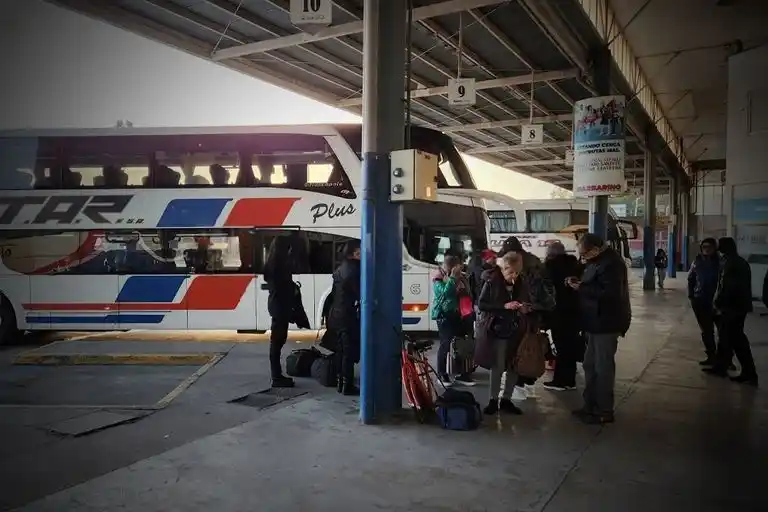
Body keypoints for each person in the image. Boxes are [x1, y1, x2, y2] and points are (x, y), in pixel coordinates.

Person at [568, 233, 631, 424]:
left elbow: (610, 294)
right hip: (595, 322)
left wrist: (580, 288)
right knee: (590, 365)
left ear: (595, 248)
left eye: (585, 253)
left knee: (602, 367)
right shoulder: (597, 261)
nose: (583, 257)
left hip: (607, 323)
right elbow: (591, 281)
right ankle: (590, 405)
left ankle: (604, 410)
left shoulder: (612, 264)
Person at [498, 236, 555, 401]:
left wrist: (524, 305)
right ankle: (529, 385)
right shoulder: (535, 261)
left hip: (526, 312)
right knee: (533, 347)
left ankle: (519, 387)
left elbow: (526, 291)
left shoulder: (523, 267)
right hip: (538, 312)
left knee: (520, 350)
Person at [476, 251, 527, 415]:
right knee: (497, 366)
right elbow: (482, 304)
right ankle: (493, 400)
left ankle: (506, 399)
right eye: (510, 272)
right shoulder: (491, 282)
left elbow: (527, 299)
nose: (514, 276)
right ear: (503, 269)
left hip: (516, 329)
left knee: (514, 365)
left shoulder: (521, 282)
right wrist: (504, 306)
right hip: (497, 329)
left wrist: (525, 307)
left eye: (517, 272)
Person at [703, 237, 758, 386]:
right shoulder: (738, 261)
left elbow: (727, 287)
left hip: (733, 308)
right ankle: (723, 367)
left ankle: (748, 372)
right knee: (727, 338)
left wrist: (718, 303)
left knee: (735, 339)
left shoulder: (731, 263)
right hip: (739, 307)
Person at [542, 241, 583, 391]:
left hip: (558, 313)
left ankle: (560, 381)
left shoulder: (550, 267)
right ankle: (570, 380)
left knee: (561, 347)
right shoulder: (575, 265)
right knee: (570, 346)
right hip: (576, 312)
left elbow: (546, 292)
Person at [327, 240, 362, 395]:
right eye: (360, 251)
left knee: (341, 350)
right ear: (354, 253)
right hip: (347, 314)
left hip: (336, 313)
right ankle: (347, 385)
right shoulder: (355, 269)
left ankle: (341, 382)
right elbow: (360, 293)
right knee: (348, 352)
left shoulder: (340, 268)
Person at [263, 237, 297, 388]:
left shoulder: (271, 263)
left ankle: (277, 375)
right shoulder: (279, 266)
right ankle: (276, 378)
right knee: (277, 342)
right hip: (280, 307)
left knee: (277, 342)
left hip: (276, 306)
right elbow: (284, 287)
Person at [431, 255, 467, 387]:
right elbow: (444, 293)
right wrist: (452, 278)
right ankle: (441, 374)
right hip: (443, 315)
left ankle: (460, 372)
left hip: (457, 313)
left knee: (460, 343)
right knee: (445, 344)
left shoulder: (459, 277)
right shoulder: (438, 277)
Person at [688, 238, 721, 366]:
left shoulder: (720, 263)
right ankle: (711, 355)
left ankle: (726, 359)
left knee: (723, 332)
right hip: (700, 301)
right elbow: (691, 279)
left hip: (718, 302)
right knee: (707, 331)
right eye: (704, 246)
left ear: (715, 248)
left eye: (710, 246)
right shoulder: (697, 261)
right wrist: (692, 296)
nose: (707, 249)